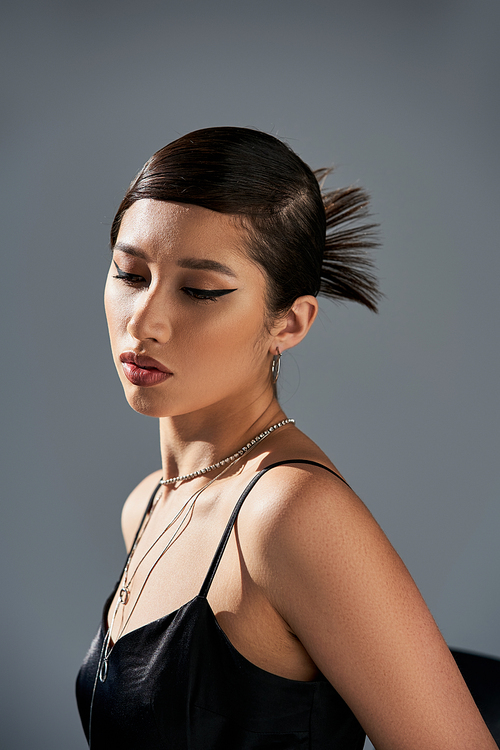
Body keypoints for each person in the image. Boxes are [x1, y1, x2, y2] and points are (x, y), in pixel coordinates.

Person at [76, 127, 496, 749]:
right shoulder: (146, 506)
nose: (144, 321)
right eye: (130, 274)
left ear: (289, 322)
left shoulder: (288, 516)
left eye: (201, 291)